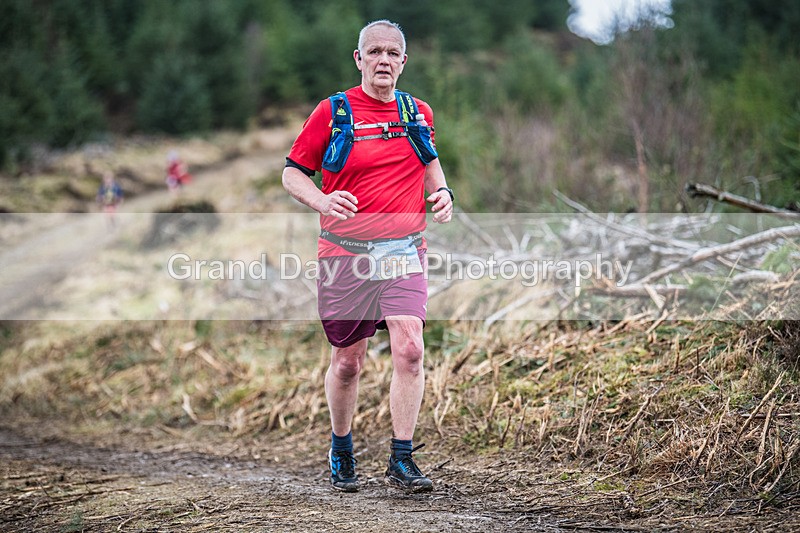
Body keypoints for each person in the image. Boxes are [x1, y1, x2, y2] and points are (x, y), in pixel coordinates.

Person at [282, 19, 454, 493]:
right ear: (358, 59)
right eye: (374, 51)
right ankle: (341, 446)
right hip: (346, 254)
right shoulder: (332, 112)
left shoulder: (416, 111)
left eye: (392, 53)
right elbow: (292, 173)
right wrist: (321, 200)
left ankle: (402, 459)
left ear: (404, 60)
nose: (383, 60)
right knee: (348, 362)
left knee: (411, 348)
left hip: (403, 250)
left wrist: (442, 194)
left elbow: (430, 162)